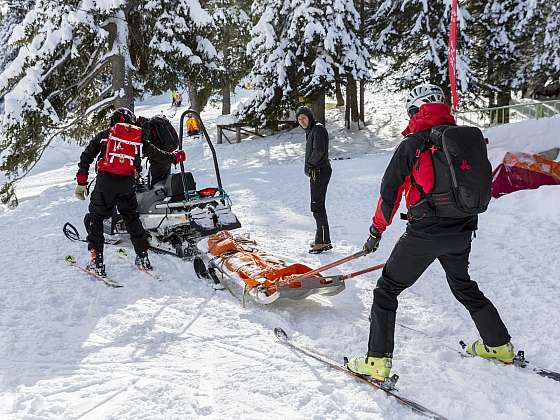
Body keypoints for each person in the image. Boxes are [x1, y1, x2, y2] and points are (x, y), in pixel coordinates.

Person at [345, 84, 514, 381]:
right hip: (462, 231)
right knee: (463, 285)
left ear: (416, 110)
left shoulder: (413, 144)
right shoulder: (463, 140)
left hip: (425, 234)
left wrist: (376, 231)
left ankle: (376, 362)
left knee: (387, 290)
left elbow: (389, 193)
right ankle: (499, 345)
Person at [74, 107, 186, 276]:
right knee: (131, 218)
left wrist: (82, 182)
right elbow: (156, 154)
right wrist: (174, 157)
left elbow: (86, 156)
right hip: (127, 183)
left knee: (95, 218)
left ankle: (96, 261)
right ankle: (143, 257)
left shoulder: (105, 135)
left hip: (106, 182)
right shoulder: (138, 136)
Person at [296, 106, 332, 254]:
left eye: (304, 117)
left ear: (310, 117)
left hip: (320, 171)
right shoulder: (311, 131)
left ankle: (322, 242)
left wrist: (310, 165)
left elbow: (319, 150)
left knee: (317, 206)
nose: (302, 121)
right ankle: (322, 239)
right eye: (299, 119)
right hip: (317, 171)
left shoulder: (318, 129)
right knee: (317, 205)